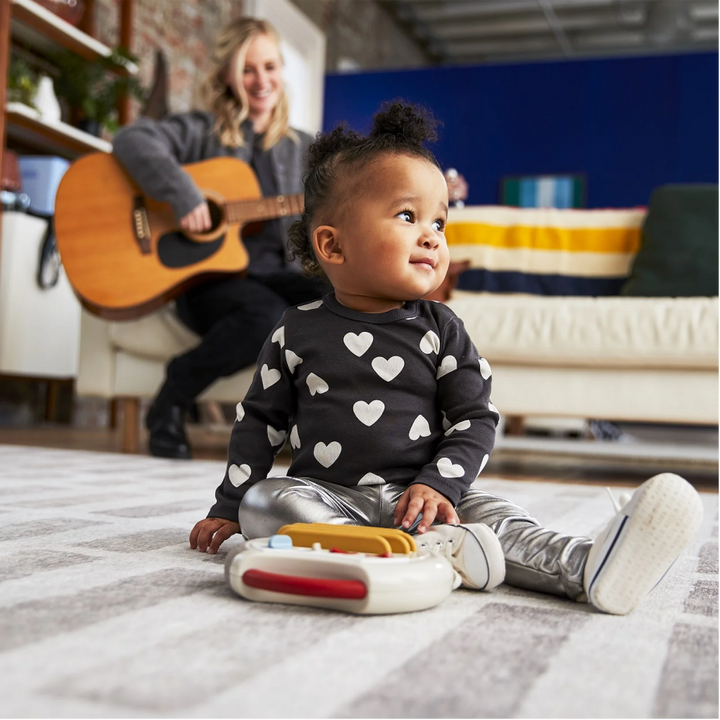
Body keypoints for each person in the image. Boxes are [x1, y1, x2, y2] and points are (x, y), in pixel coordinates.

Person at [189, 101, 704, 614]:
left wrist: (439, 485)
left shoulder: (442, 329)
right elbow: (259, 422)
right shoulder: (295, 328)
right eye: (409, 216)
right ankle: (403, 555)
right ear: (333, 245)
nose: (432, 236)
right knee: (268, 503)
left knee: (500, 518)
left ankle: (587, 566)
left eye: (441, 222)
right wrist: (231, 506)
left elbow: (476, 418)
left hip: (429, 494)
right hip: (330, 499)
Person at [113, 17, 327, 459]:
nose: (261, 80)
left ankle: (328, 430)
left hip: (279, 273)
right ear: (228, 74)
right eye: (248, 68)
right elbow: (132, 139)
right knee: (265, 316)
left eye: (270, 66)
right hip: (207, 280)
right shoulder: (200, 130)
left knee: (340, 296)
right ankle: (172, 397)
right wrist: (183, 195)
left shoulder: (306, 148)